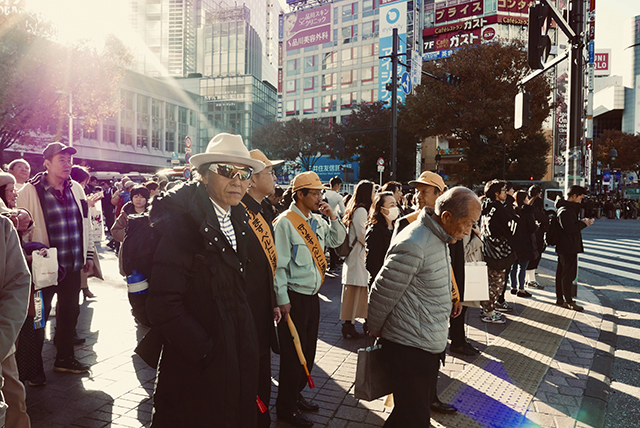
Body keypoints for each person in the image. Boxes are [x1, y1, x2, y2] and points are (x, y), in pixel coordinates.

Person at [146, 133, 266, 426]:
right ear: (204, 175)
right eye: (226, 171)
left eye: (245, 173)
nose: (237, 181)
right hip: (195, 366)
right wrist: (206, 350)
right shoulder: (183, 222)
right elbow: (163, 305)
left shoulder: (238, 218)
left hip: (233, 358)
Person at [368, 187, 480, 428]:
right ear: (447, 217)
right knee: (413, 417)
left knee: (408, 414)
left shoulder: (440, 238)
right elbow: (382, 290)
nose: (470, 230)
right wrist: (375, 328)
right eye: (468, 223)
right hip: (409, 345)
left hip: (427, 341)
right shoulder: (415, 242)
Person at [273, 171, 346, 427]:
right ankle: (286, 408)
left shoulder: (317, 220)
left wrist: (333, 216)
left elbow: (338, 240)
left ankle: (296, 395)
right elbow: (278, 266)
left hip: (313, 296)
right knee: (293, 356)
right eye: (314, 193)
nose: (319, 197)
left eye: (320, 193)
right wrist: (281, 298)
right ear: (299, 194)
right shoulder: (284, 223)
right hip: (293, 297)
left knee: (309, 352)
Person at [16, 142, 95, 375]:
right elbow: (20, 231)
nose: (68, 164)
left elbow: (85, 222)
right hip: (43, 270)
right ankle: (33, 368)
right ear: (47, 164)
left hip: (72, 266)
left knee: (69, 314)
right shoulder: (30, 191)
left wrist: (87, 253)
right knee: (38, 317)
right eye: (61, 160)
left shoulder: (77, 189)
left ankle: (65, 358)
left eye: (70, 160)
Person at [243, 149, 284, 428]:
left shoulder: (263, 210)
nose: (274, 176)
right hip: (246, 318)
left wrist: (273, 300)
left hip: (261, 313)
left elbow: (265, 267)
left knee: (261, 377)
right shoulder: (240, 213)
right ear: (252, 179)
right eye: (269, 171)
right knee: (250, 382)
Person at [1, 207, 32, 428]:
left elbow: (18, 285)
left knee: (13, 404)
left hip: (1, 341)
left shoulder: (2, 228)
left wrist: (2, 337)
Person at [340, 180, 374, 339]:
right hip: (357, 256)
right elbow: (363, 235)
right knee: (354, 292)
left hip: (357, 257)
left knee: (357, 292)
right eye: (373, 191)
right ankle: (349, 324)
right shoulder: (361, 210)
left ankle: (351, 324)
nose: (375, 195)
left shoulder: (358, 209)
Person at [479, 180, 517, 324]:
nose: (505, 192)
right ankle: (489, 313)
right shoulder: (499, 208)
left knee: (490, 281)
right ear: (496, 193)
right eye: (503, 190)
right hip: (499, 252)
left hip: (488, 250)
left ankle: (486, 309)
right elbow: (508, 227)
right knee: (497, 284)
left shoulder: (486, 206)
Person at [555, 185, 594, 312]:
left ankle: (561, 299)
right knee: (567, 274)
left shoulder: (567, 209)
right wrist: (584, 224)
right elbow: (569, 228)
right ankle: (568, 300)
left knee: (562, 273)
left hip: (566, 246)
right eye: (580, 198)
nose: (580, 201)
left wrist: (582, 222)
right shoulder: (565, 210)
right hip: (568, 247)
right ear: (573, 196)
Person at [509, 190, 538, 298]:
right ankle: (521, 289)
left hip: (514, 242)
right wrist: (537, 226)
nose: (528, 200)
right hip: (526, 242)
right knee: (523, 267)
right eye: (526, 198)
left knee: (514, 266)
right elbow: (532, 227)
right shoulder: (527, 211)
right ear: (523, 200)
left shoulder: (512, 210)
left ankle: (513, 287)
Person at [525, 185, 548, 289]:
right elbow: (544, 219)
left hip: (530, 235)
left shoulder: (529, 204)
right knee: (535, 257)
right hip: (538, 235)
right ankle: (531, 280)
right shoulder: (537, 203)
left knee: (530, 257)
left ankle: (527, 279)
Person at [325, 176, 346, 271]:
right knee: (334, 240)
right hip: (334, 218)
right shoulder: (338, 196)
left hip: (323, 218)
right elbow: (343, 211)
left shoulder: (323, 193)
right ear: (337, 185)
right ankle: (334, 263)